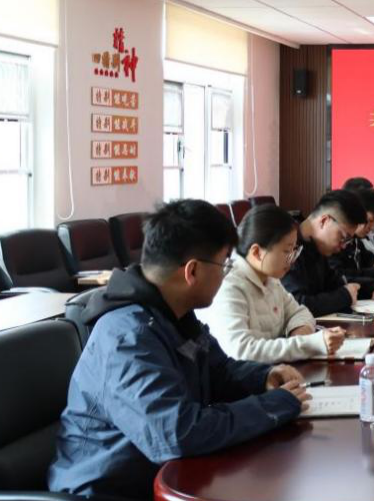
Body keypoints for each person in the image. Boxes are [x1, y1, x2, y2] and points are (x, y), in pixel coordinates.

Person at [49, 200, 310, 499]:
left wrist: (264, 377)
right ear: (192, 271)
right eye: (224, 264)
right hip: (107, 491)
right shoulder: (127, 336)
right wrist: (274, 406)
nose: (226, 275)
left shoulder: (173, 314)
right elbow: (177, 433)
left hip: (162, 475)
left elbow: (219, 371)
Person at [201, 204, 346, 363]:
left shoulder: (271, 280)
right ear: (257, 252)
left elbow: (301, 313)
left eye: (294, 251)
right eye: (287, 251)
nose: (292, 259)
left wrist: (299, 335)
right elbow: (241, 350)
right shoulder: (229, 286)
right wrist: (308, 344)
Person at [283, 189, 374, 317]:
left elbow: (335, 282)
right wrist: (345, 296)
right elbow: (297, 304)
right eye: (343, 237)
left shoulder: (317, 247)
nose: (344, 246)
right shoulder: (288, 247)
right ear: (324, 221)